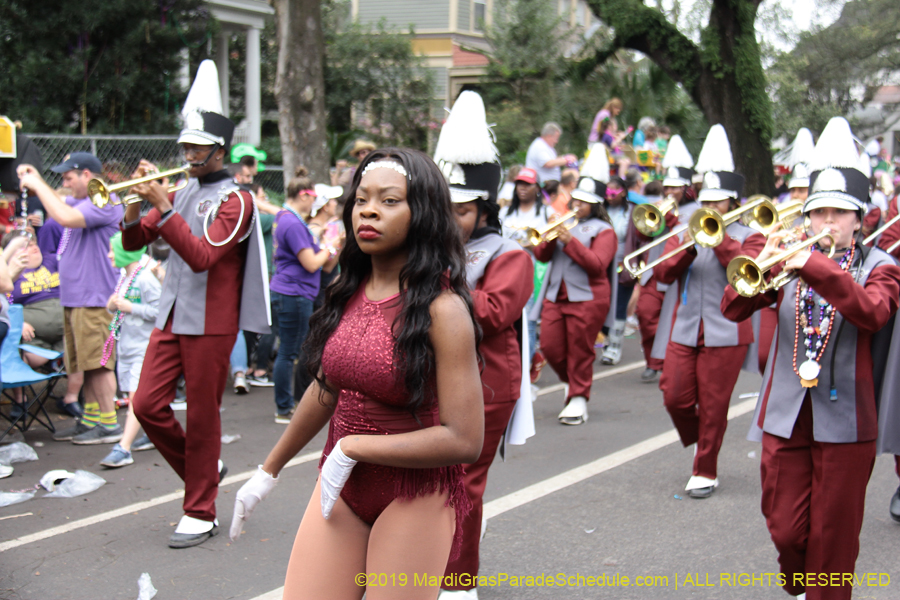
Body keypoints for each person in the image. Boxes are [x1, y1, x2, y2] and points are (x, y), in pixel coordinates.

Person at [230, 148, 483, 600]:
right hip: (342, 489)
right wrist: (268, 471)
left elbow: (465, 440)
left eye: (389, 200)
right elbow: (326, 388)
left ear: (422, 213)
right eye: (361, 199)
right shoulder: (347, 290)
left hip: (414, 495)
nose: (368, 210)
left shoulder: (444, 310)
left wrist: (351, 447)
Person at [722, 116, 900, 600]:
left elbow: (872, 313)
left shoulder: (881, 267)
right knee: (785, 528)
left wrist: (816, 266)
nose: (826, 222)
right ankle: (803, 585)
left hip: (849, 419)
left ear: (859, 218)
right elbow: (732, 307)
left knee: (833, 538)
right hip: (786, 412)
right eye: (818, 212)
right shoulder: (789, 260)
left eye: (839, 212)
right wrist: (765, 263)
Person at [121, 60, 270, 548]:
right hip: (171, 315)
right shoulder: (181, 190)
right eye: (185, 146)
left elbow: (203, 256)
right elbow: (133, 240)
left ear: (219, 150)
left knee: (204, 417)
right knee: (145, 404)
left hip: (211, 322)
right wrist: (133, 201)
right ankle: (204, 470)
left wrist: (164, 206)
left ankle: (200, 511)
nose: (188, 154)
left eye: (197, 148)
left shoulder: (238, 201)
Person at [433, 90, 534, 599]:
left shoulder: (509, 255)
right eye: (443, 209)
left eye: (462, 210)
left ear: (483, 209)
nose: (451, 219)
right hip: (428, 380)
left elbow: (491, 314)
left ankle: (459, 583)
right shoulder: (427, 251)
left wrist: (435, 278)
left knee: (463, 484)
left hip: (486, 382)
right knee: (433, 484)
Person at [655, 124, 765, 498]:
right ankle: (702, 438)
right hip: (685, 326)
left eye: (717, 202)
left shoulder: (750, 236)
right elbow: (662, 275)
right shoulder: (686, 230)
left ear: (733, 202)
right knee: (674, 396)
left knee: (715, 406)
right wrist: (686, 246)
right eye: (706, 201)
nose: (710, 208)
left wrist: (719, 240)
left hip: (727, 330)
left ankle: (705, 468)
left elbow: (747, 273)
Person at [17, 152, 124, 443]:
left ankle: (109, 424)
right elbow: (60, 203)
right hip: (77, 297)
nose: (64, 184)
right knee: (84, 363)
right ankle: (90, 420)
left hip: (95, 297)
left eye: (68, 178)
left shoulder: (103, 200)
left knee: (98, 364)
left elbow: (63, 216)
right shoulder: (82, 200)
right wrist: (37, 180)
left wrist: (38, 184)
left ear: (86, 175)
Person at [533, 146, 617, 426]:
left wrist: (570, 241)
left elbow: (597, 265)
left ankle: (579, 398)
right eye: (576, 199)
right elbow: (541, 256)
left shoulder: (605, 231)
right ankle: (573, 384)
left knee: (581, 350)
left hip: (588, 297)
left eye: (585, 202)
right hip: (556, 296)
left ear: (596, 205)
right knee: (551, 347)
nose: (578, 205)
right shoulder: (564, 222)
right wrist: (548, 235)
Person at [269, 167, 339, 423]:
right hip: (294, 291)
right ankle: (284, 407)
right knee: (289, 353)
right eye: (313, 198)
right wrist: (331, 247)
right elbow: (311, 263)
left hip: (290, 290)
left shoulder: (286, 218)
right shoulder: (292, 221)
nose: (314, 203)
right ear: (304, 195)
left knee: (288, 351)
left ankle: (286, 404)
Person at [631, 135, 698, 384]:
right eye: (666, 188)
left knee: (673, 319)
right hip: (653, 270)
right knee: (645, 314)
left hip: (681, 272)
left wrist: (673, 222)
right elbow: (642, 234)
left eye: (675, 188)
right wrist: (658, 218)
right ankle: (653, 361)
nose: (669, 192)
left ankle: (670, 361)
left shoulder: (698, 211)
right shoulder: (658, 206)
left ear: (686, 188)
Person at [99, 233, 161, 466]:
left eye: (113, 250)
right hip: (126, 346)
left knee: (136, 397)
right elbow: (117, 306)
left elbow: (160, 310)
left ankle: (123, 448)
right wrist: (112, 305)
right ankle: (156, 433)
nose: (109, 255)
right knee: (138, 396)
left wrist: (131, 308)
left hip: (143, 347)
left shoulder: (144, 278)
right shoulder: (124, 277)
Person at [599, 175, 636, 366]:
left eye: (614, 193)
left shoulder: (632, 211)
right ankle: (604, 340)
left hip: (623, 264)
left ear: (623, 192)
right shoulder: (600, 209)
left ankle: (614, 347)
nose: (610, 197)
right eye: (607, 193)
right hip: (602, 264)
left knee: (620, 305)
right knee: (603, 304)